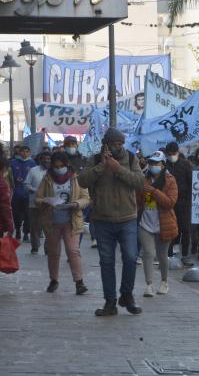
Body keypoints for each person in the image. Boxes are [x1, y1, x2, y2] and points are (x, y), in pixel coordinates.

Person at [78, 128, 145, 316]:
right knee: (107, 262)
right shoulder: (95, 159)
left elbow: (140, 182)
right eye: (113, 144)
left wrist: (119, 169)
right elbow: (82, 181)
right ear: (105, 144)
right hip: (102, 220)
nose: (117, 147)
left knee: (131, 258)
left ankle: (127, 295)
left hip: (127, 219)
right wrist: (102, 167)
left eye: (120, 144)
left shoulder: (131, 159)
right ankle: (110, 301)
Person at [36, 152, 90, 294]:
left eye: (61, 166)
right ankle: (54, 280)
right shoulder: (47, 178)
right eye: (56, 166)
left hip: (71, 220)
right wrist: (46, 202)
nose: (58, 169)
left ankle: (79, 282)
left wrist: (75, 204)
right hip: (52, 220)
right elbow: (38, 198)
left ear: (67, 165)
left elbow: (86, 198)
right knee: (53, 252)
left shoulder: (76, 178)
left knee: (73, 251)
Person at [136, 151, 178, 297]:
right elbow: (139, 200)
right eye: (152, 163)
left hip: (164, 223)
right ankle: (149, 285)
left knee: (161, 255)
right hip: (145, 223)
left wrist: (154, 192)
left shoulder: (170, 180)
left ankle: (164, 281)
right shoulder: (144, 179)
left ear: (163, 164)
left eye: (157, 163)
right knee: (148, 253)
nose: (154, 166)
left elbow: (170, 203)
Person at [164, 142, 194, 266]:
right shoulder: (164, 166)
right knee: (170, 229)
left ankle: (185, 255)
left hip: (184, 202)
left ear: (178, 152)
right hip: (168, 203)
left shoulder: (186, 165)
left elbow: (192, 182)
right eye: (169, 154)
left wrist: (190, 200)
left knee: (185, 229)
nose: (172, 156)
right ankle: (168, 255)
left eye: (173, 153)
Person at [23, 151, 50, 253]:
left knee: (49, 228)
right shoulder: (33, 171)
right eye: (44, 159)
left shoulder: (54, 171)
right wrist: (35, 190)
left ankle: (48, 248)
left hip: (50, 205)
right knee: (35, 227)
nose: (46, 161)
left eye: (48, 159)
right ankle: (35, 247)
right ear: (40, 160)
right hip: (35, 204)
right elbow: (26, 184)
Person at [10, 145, 36, 241]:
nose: (24, 153)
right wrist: (14, 180)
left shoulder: (33, 163)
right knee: (16, 214)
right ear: (19, 152)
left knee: (27, 214)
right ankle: (17, 230)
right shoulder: (13, 162)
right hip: (16, 193)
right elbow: (8, 177)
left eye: (26, 151)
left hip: (28, 194)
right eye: (22, 151)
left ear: (29, 153)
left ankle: (26, 233)